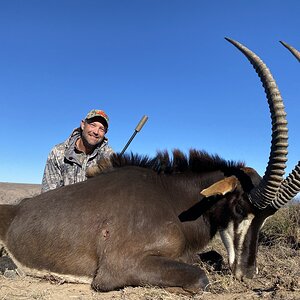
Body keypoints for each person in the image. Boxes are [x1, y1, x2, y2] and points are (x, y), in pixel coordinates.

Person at [41, 109, 114, 193]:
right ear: (83, 125)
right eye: (92, 125)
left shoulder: (109, 156)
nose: (96, 132)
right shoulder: (58, 152)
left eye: (101, 129)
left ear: (105, 132)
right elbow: (48, 194)